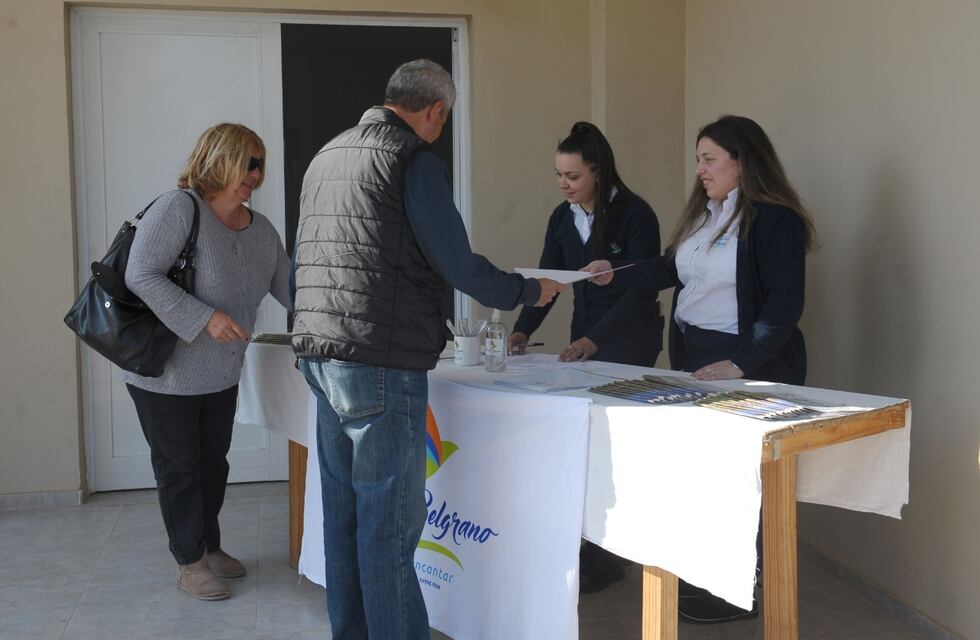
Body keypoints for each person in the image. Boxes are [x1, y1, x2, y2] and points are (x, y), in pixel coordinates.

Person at [290, 59, 563, 639]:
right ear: (434, 111)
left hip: (320, 353)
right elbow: (456, 262)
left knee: (344, 517)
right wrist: (527, 290)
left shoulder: (327, 155)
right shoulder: (411, 158)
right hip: (379, 360)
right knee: (387, 525)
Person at [584, 114, 817, 622]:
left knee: (745, 474)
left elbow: (783, 305)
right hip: (696, 355)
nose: (700, 170)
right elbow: (671, 269)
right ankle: (717, 578)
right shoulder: (706, 214)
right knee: (708, 470)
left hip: (744, 359)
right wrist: (614, 273)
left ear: (743, 161)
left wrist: (742, 362)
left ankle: (745, 588)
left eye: (709, 159)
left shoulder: (775, 219)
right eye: (698, 160)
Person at [123, 123, 292, 600]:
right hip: (164, 373)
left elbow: (291, 288)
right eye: (248, 163)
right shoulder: (179, 209)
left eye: (260, 165)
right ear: (219, 158)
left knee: (212, 464)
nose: (256, 175)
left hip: (220, 373)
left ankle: (208, 545)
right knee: (180, 468)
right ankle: (189, 562)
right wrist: (205, 318)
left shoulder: (261, 230)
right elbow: (141, 274)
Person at [507, 121, 663, 593]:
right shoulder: (562, 216)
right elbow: (549, 282)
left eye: (572, 176)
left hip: (628, 340)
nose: (564, 184)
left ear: (598, 171)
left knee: (616, 448)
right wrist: (521, 329)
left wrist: (595, 341)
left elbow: (642, 290)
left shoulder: (636, 214)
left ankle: (614, 554)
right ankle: (587, 552)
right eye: (558, 174)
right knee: (583, 443)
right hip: (584, 337)